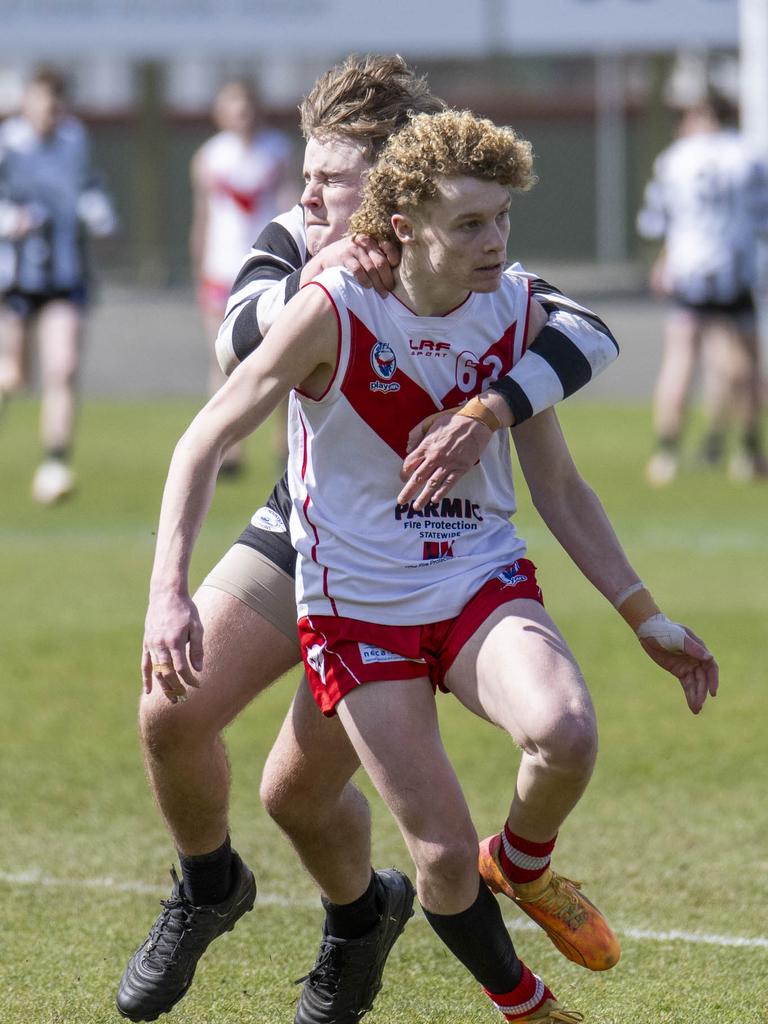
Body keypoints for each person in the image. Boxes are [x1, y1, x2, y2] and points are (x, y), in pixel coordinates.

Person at [136, 108, 718, 1023]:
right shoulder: (323, 290)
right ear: (403, 222)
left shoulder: (514, 302)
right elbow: (213, 419)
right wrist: (165, 593)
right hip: (354, 601)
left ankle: (519, 864)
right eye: (471, 224)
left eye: (501, 220)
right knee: (417, 847)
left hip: (476, 579)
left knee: (566, 732)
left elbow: (563, 472)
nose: (494, 242)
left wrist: (644, 615)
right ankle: (520, 1002)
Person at [637, 88, 768, 486]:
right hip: (735, 269)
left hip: (689, 270)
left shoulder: (675, 158)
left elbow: (654, 222)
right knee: (745, 362)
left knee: (680, 357)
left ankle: (665, 455)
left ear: (702, 114)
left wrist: (667, 256)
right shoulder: (749, 155)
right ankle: (747, 454)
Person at [0, 66, 116, 503]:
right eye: (42, 101)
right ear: (27, 101)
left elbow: (86, 186)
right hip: (15, 278)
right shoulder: (8, 144)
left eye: (56, 103)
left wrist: (98, 213)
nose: (50, 111)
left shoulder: (74, 139)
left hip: (65, 276)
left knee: (63, 367)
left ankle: (54, 463)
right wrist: (10, 221)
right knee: (12, 376)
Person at [190, 77, 294, 474]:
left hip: (270, 269)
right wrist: (199, 265)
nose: (241, 112)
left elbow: (289, 205)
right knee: (223, 362)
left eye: (247, 103)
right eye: (232, 103)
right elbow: (203, 218)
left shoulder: (277, 152)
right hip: (222, 270)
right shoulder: (208, 157)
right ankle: (228, 448)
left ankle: (284, 444)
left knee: (284, 356)